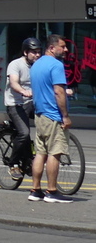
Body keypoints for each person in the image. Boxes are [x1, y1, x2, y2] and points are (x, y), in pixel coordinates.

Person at [28, 34, 75, 204]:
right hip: (53, 115)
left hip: (40, 114)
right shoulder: (56, 65)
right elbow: (58, 91)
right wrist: (65, 116)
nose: (65, 49)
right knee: (55, 153)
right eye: (62, 46)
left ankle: (35, 190)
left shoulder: (36, 65)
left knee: (40, 153)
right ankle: (52, 191)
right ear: (51, 48)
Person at [4, 37, 43, 173]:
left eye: (39, 52)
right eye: (33, 52)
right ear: (25, 52)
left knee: (48, 121)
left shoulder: (38, 65)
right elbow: (14, 82)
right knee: (24, 133)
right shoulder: (15, 64)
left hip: (31, 103)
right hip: (15, 104)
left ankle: (32, 155)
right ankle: (13, 163)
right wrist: (23, 91)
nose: (37, 55)